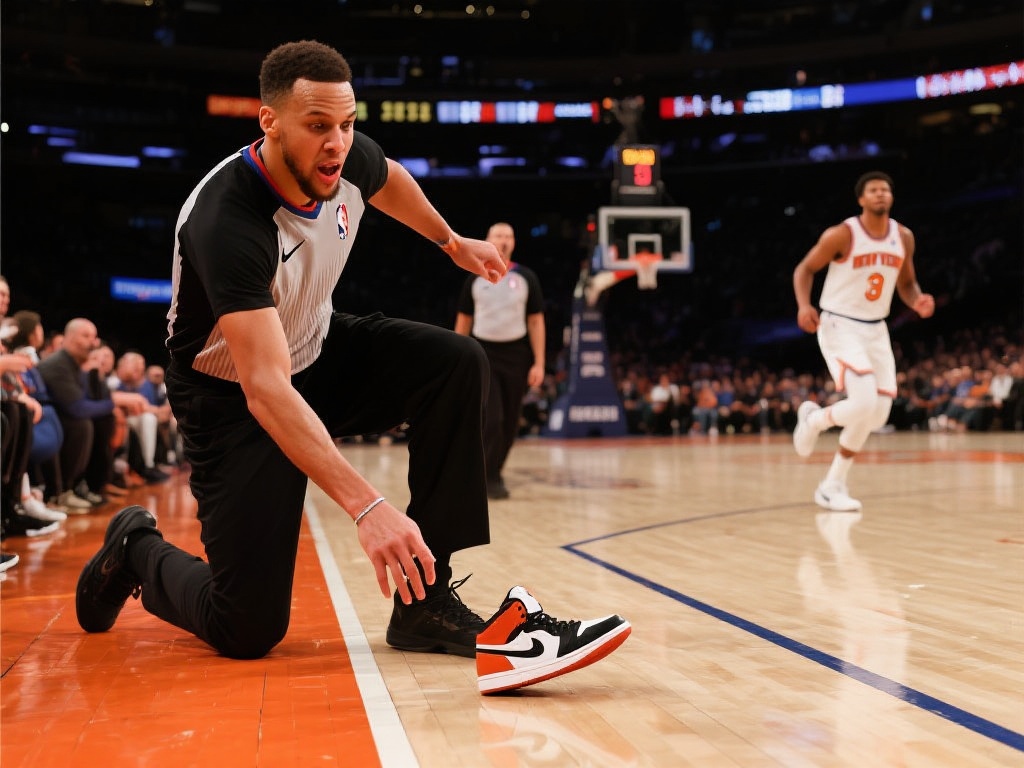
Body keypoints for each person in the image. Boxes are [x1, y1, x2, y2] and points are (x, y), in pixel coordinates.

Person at [75, 41, 629, 685]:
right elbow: (265, 388)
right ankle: (136, 549)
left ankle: (425, 605)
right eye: (318, 126)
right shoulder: (228, 220)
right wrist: (369, 508)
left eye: (346, 124)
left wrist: (451, 242)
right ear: (269, 122)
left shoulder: (343, 155)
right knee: (246, 627)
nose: (337, 143)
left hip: (316, 350)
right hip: (231, 398)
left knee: (454, 361)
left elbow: (389, 177)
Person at [792, 171, 935, 511]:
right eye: (873, 190)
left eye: (885, 189)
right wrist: (803, 305)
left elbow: (907, 283)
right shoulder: (842, 234)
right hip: (839, 322)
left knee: (877, 415)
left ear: (892, 197)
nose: (880, 194)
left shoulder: (903, 237)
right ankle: (813, 421)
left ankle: (831, 485)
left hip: (875, 328)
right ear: (861, 199)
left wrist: (917, 300)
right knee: (863, 402)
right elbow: (804, 269)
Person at [454, 222, 545, 499]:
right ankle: (486, 477)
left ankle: (494, 471)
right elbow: (464, 320)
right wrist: (457, 357)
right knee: (492, 419)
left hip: (517, 355)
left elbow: (536, 321)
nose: (504, 240)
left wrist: (539, 362)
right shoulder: (474, 277)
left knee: (510, 422)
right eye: (498, 235)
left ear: (514, 242)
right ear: (487, 240)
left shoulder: (526, 277)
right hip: (483, 352)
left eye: (508, 236)